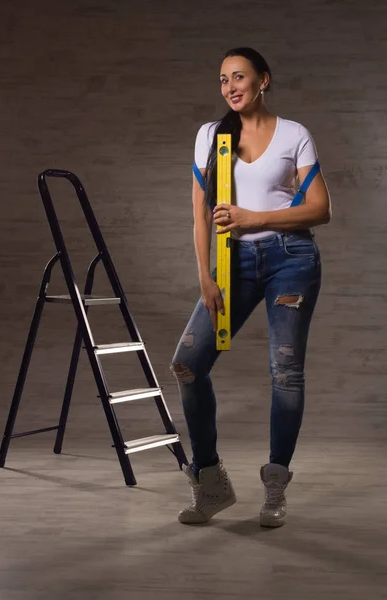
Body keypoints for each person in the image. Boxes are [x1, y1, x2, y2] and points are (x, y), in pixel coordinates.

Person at [170, 47, 331, 527]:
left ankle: (276, 487)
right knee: (189, 365)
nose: (230, 87)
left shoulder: (295, 134)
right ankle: (210, 482)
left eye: (239, 77)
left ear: (264, 80)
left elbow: (321, 209)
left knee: (286, 372)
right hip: (230, 262)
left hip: (291, 259)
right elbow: (200, 213)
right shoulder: (211, 135)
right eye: (222, 80)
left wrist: (253, 217)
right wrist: (205, 277)